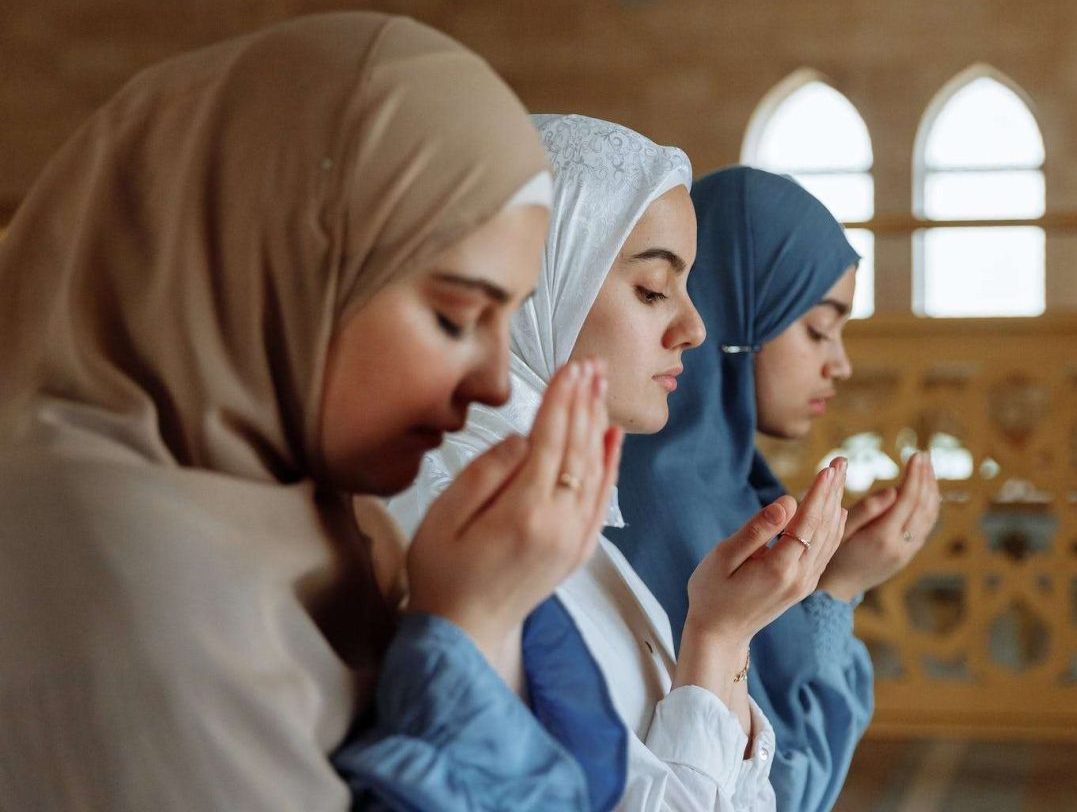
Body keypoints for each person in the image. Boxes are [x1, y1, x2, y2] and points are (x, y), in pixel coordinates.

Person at [0, 14, 625, 810]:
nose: (497, 385)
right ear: (271, 273)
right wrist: (469, 629)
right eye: (455, 318)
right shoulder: (106, 564)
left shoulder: (319, 522)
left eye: (511, 320)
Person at [389, 115, 850, 811]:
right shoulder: (460, 519)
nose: (693, 329)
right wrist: (717, 641)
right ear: (541, 281)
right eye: (651, 290)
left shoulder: (562, 507)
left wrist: (721, 634)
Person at [608, 166, 940, 812]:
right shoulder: (666, 505)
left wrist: (836, 574)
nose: (838, 362)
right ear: (738, 309)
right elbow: (788, 789)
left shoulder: (729, 483)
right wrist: (836, 590)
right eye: (818, 328)